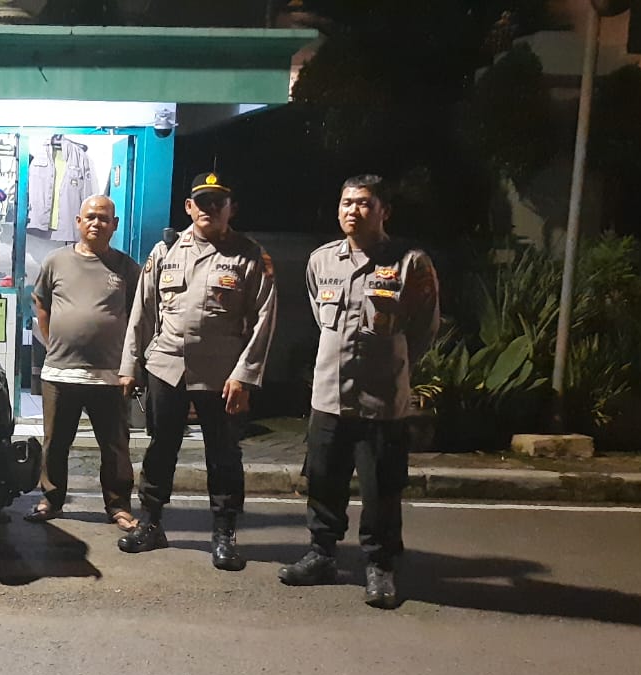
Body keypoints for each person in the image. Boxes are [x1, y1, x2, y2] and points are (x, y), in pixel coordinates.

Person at [278, 174, 439, 609]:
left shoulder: (411, 263)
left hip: (380, 402)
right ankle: (321, 554)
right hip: (329, 397)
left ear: (384, 211)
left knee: (381, 489)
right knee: (322, 481)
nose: (354, 211)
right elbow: (322, 318)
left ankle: (380, 566)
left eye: (365, 203)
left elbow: (424, 328)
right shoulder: (321, 261)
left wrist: (393, 365)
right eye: (347, 202)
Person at [118, 172, 277, 571]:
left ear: (230, 209)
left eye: (217, 202)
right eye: (202, 202)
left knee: (223, 455)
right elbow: (142, 312)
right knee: (160, 449)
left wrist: (245, 376)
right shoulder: (165, 250)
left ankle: (224, 533)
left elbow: (264, 321)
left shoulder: (249, 255)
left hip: (222, 375)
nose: (209, 208)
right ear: (189, 207)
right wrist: (130, 366)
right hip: (167, 367)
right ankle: (151, 523)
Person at [22, 195, 141, 532]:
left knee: (115, 446)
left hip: (110, 375)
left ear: (114, 225)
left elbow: (139, 315)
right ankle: (51, 499)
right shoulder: (56, 261)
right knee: (55, 443)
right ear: (78, 221)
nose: (96, 223)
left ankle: (118, 506)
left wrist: (131, 365)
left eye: (103, 218)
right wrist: (54, 343)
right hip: (60, 372)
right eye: (90, 217)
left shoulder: (126, 267)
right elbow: (41, 304)